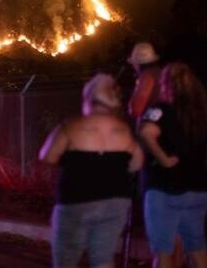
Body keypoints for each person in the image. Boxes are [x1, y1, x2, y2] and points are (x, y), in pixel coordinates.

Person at [39, 73, 143, 268]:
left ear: (88, 98)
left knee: (66, 260)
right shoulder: (124, 130)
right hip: (115, 202)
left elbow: (47, 156)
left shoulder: (70, 126)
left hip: (76, 201)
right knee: (103, 259)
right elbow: (137, 163)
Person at [139, 63, 207, 268]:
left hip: (166, 188)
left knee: (163, 252)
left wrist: (163, 159)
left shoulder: (159, 109)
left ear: (166, 84)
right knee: (197, 248)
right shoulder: (201, 114)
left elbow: (145, 132)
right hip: (198, 188)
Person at [127, 42, 162, 122]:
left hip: (151, 128)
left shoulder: (146, 77)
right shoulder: (160, 72)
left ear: (136, 64)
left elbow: (135, 109)